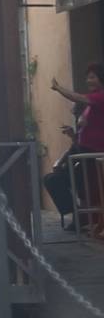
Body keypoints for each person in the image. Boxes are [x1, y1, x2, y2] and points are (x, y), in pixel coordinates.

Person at [50, 64, 104, 235]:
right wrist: (73, 134)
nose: (89, 80)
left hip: (92, 153)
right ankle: (80, 215)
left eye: (93, 77)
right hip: (81, 149)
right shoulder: (91, 105)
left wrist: (59, 88)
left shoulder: (100, 97)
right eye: (88, 77)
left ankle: (85, 217)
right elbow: (84, 132)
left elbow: (79, 98)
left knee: (84, 187)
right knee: (54, 179)